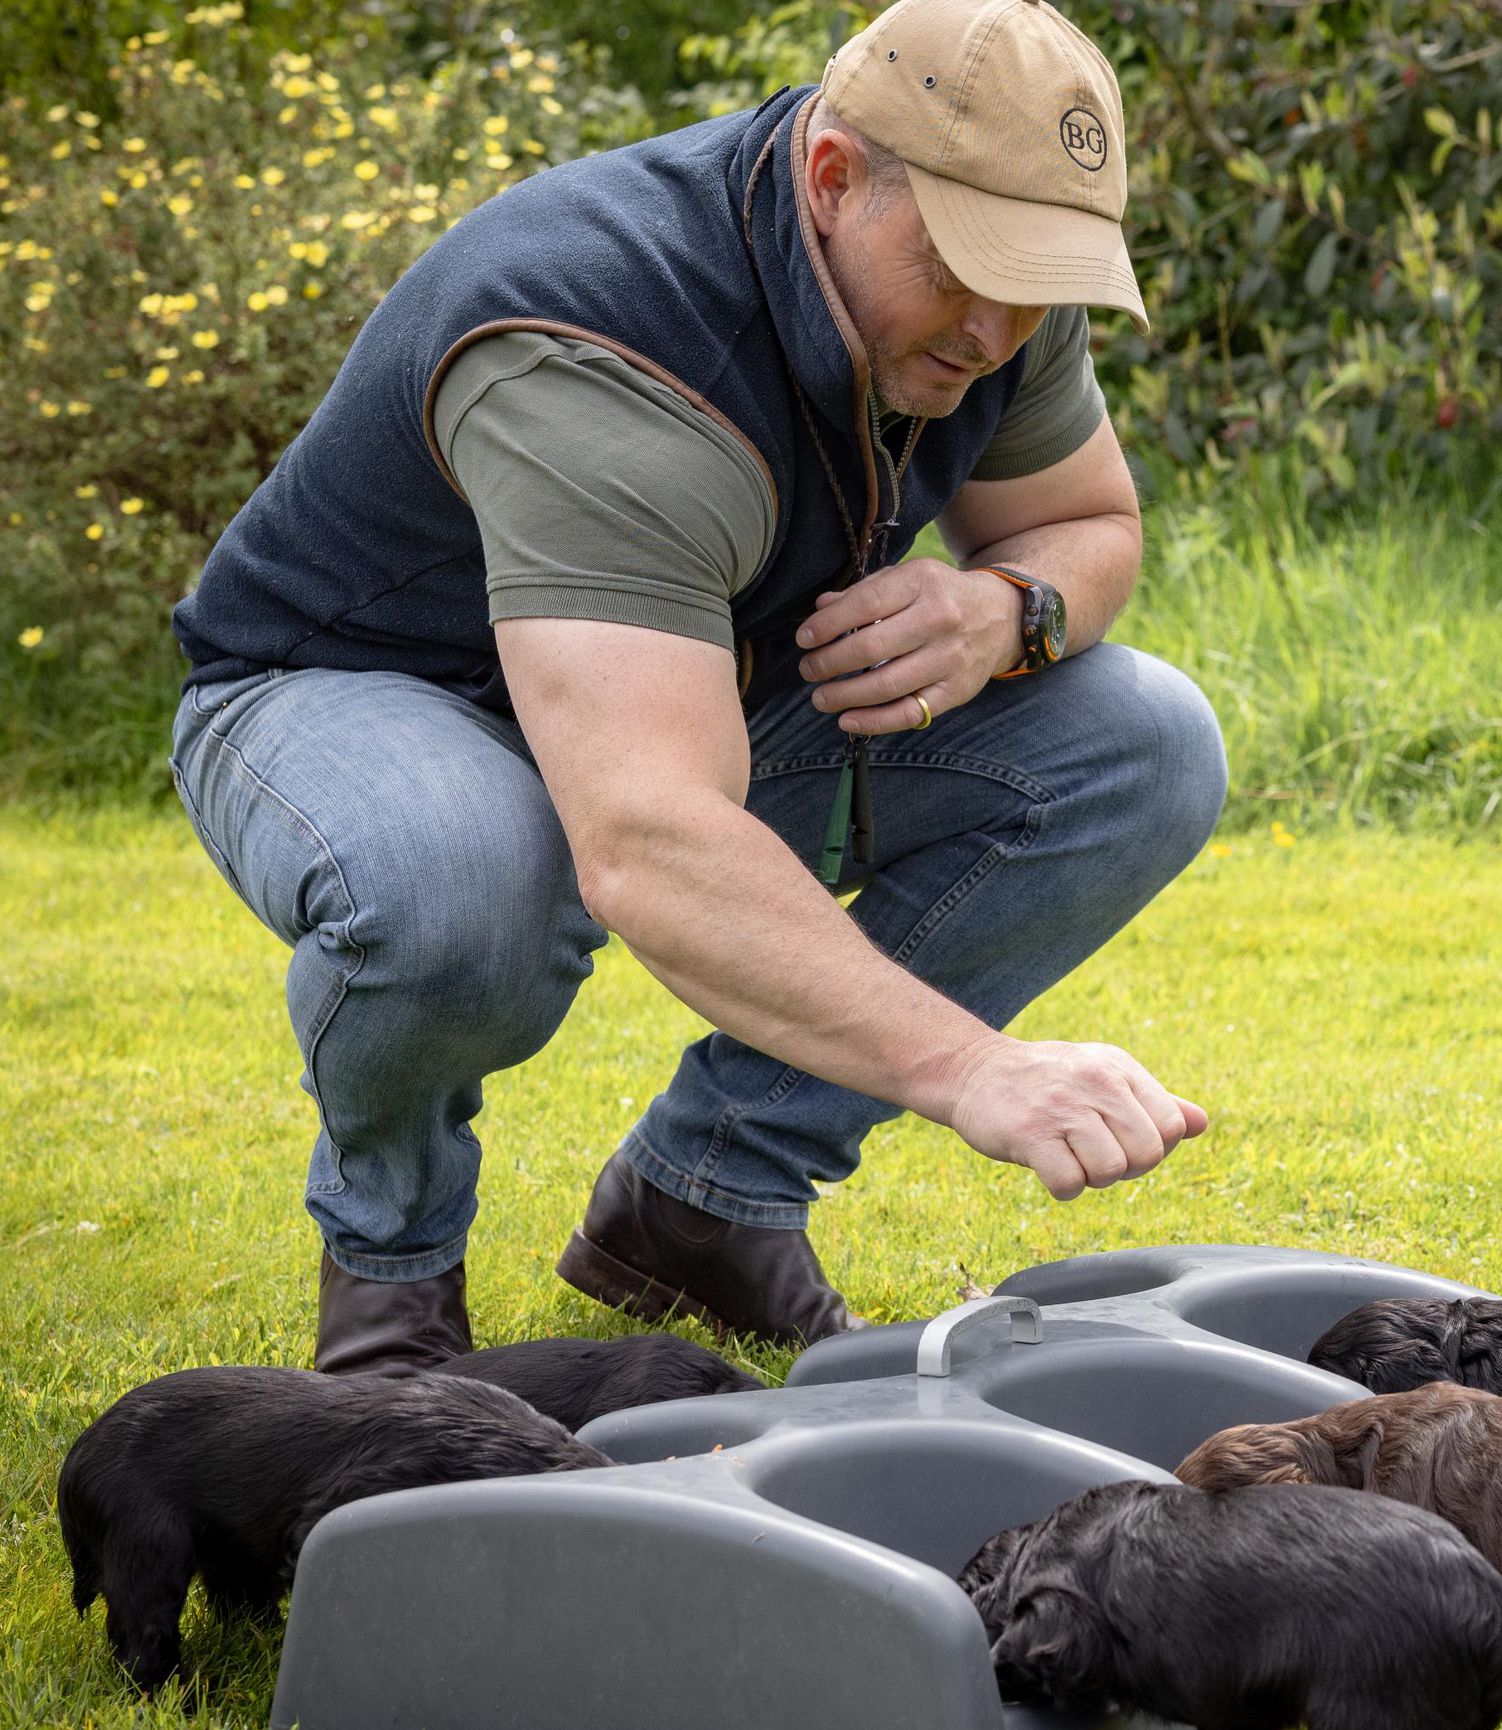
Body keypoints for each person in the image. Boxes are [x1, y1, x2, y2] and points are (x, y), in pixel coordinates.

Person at [166, 0, 1225, 1375]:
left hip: (682, 691)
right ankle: (393, 1276)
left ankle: (706, 1198)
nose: (995, 326)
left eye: (1041, 279)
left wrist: (1000, 612)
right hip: (351, 694)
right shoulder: (605, 334)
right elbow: (653, 838)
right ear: (834, 179)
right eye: (968, 265)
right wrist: (975, 1068)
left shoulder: (999, 315)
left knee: (1138, 743)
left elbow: (1091, 527)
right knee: (464, 874)